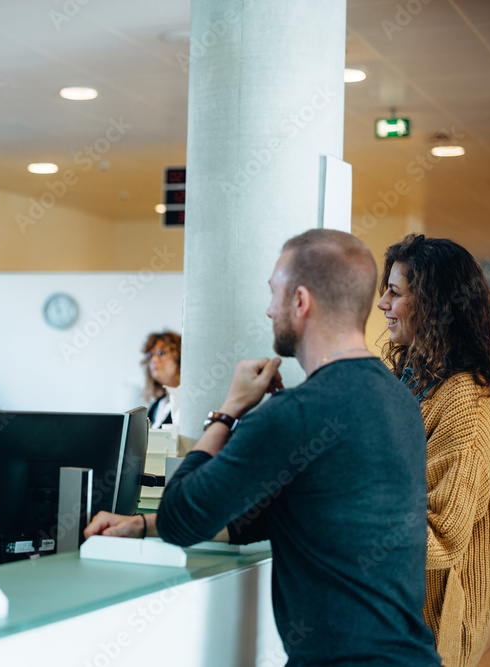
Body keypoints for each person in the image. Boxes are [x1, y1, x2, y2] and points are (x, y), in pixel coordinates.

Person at [85, 229, 440, 666]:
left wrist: (229, 410)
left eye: (274, 293)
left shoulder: (295, 413)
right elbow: (258, 520)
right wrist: (141, 525)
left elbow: (182, 519)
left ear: (301, 301)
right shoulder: (398, 400)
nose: (268, 309)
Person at [377, 234, 490, 667]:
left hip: (431, 633)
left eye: (395, 292)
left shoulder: (465, 401)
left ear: (434, 304)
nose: (382, 304)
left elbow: (439, 540)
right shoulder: (417, 381)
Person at [142, 331, 182, 427]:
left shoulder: (191, 401)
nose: (153, 360)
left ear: (179, 357)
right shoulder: (156, 406)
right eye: (150, 355)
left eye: (161, 353)